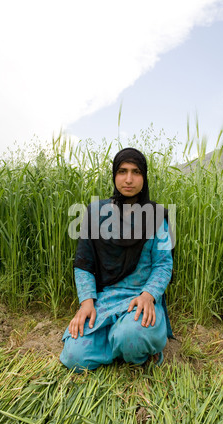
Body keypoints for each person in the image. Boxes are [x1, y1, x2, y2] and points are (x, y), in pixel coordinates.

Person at [60, 147, 174, 372]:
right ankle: (118, 341)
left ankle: (127, 341)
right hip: (105, 299)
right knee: (74, 355)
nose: (129, 179)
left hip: (140, 300)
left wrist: (148, 295)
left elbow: (163, 264)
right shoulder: (96, 212)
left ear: (144, 177)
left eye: (136, 172)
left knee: (131, 335)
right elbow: (84, 263)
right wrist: (86, 302)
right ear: (114, 175)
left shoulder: (157, 216)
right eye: (122, 171)